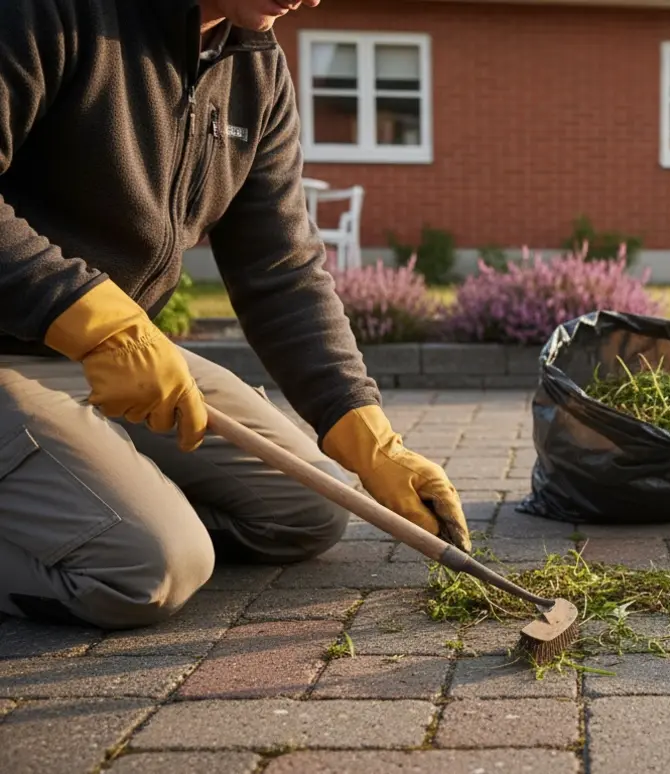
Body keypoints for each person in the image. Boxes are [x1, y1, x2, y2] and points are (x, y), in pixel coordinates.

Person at [0, 0, 471, 630]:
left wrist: (372, 439)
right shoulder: (48, 13)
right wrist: (93, 319)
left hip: (109, 358)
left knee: (310, 510)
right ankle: (110, 527)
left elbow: (281, 270)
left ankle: (87, 500)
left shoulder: (255, 69)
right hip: (18, 346)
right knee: (148, 569)